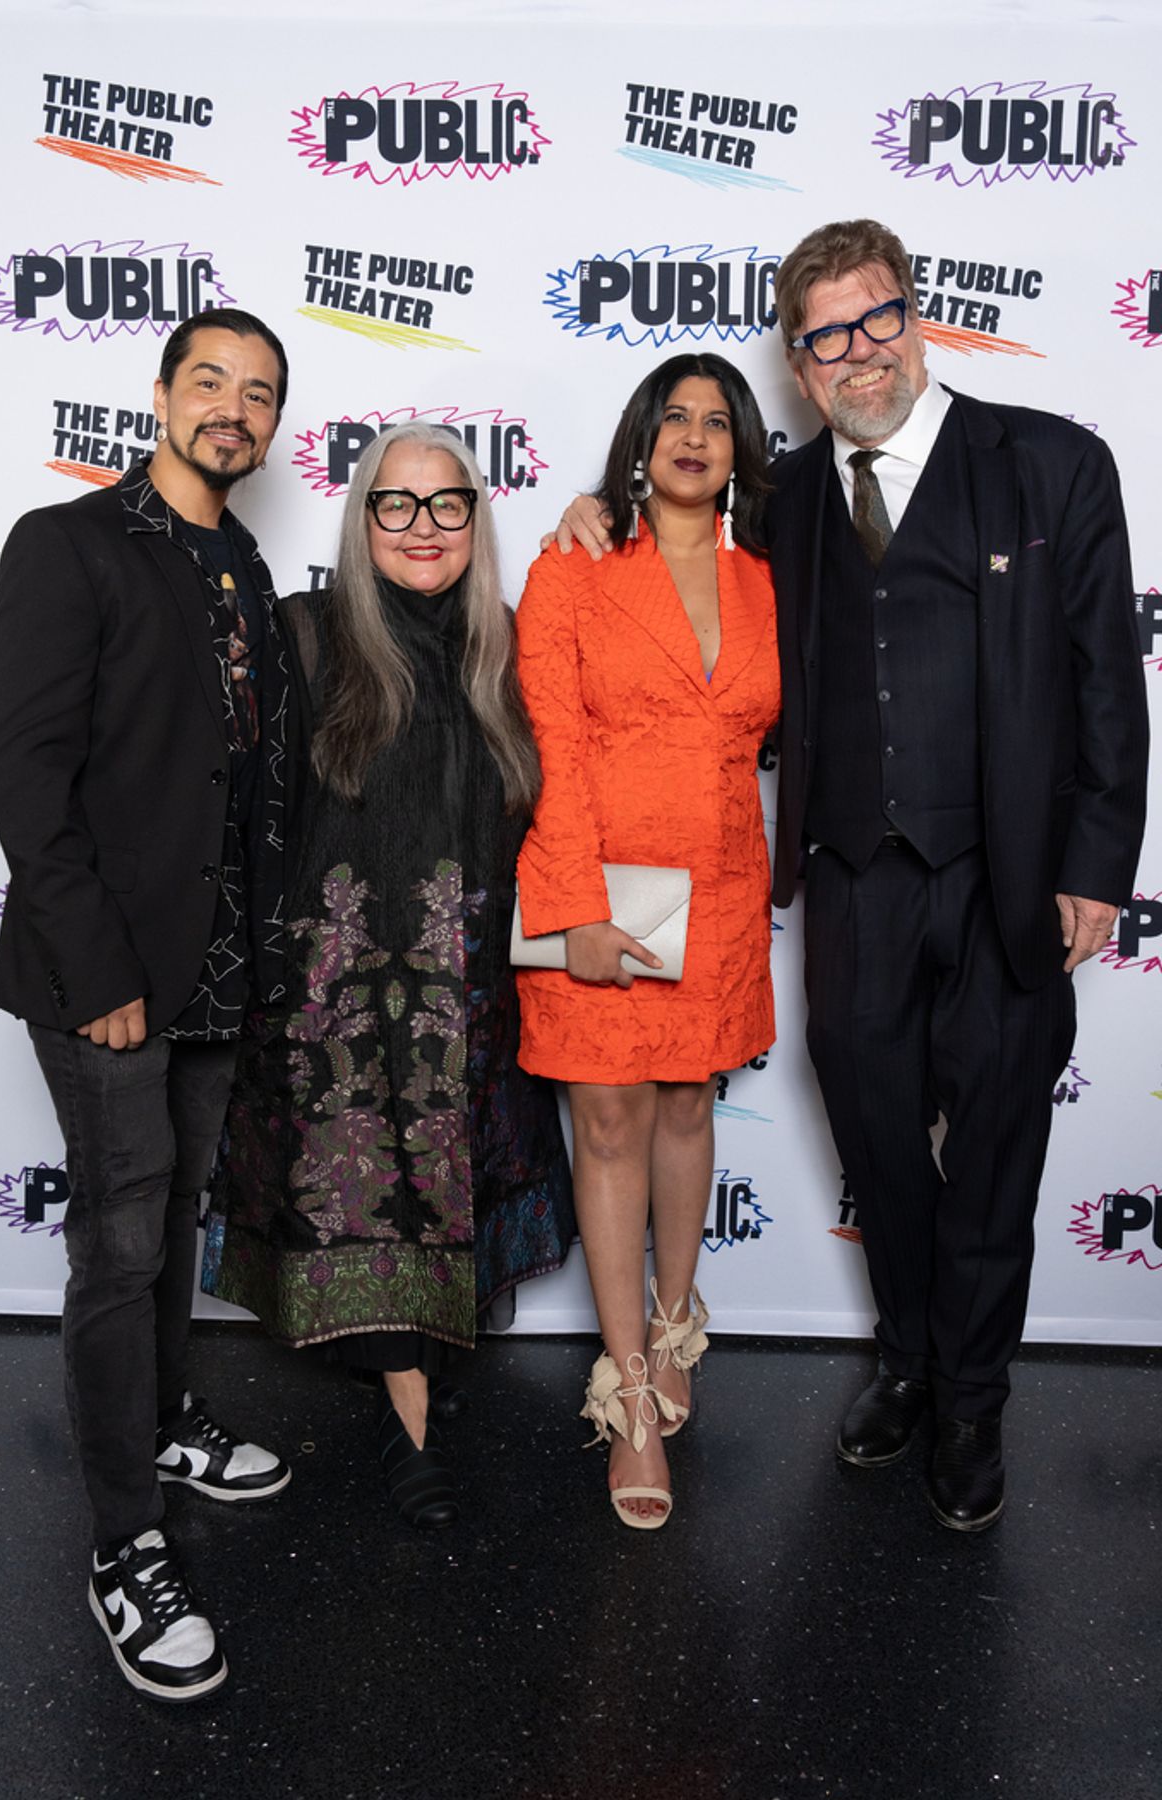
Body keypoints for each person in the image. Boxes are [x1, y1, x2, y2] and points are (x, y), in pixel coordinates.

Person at [559, 220, 1149, 1534]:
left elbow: (1111, 674)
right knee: (882, 1147)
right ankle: (908, 1359)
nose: (859, 352)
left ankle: (971, 1403)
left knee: (994, 1152)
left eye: (877, 319)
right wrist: (595, 512)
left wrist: (1099, 861)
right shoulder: (789, 507)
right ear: (799, 360)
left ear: (915, 315)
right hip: (852, 882)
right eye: (827, 335)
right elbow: (676, 552)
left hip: (1011, 877)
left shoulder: (1051, 464)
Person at [0, 309, 308, 1701]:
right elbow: (27, 777)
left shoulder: (242, 564)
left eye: (260, 395)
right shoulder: (67, 545)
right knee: (121, 1245)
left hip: (220, 969)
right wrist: (101, 972)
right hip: (105, 975)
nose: (234, 410)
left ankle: (167, 1418)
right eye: (211, 383)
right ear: (162, 395)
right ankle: (125, 1543)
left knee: (174, 1211)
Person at [203, 422, 574, 1530]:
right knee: (374, 1196)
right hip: (337, 1004)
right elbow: (245, 812)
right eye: (396, 505)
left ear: (477, 515)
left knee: (448, 1194)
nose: (423, 527)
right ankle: (406, 1415)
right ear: (362, 522)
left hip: (468, 996)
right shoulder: (307, 636)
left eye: (446, 503)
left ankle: (412, 1372)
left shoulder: (506, 647)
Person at [516, 354, 780, 1529]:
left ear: (740, 451)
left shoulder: (771, 576)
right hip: (602, 888)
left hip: (720, 890)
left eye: (716, 422)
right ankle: (626, 1386)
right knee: (610, 1119)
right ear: (640, 437)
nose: (692, 435)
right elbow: (550, 750)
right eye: (672, 415)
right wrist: (572, 910)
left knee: (685, 1104)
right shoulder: (574, 564)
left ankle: (681, 1322)